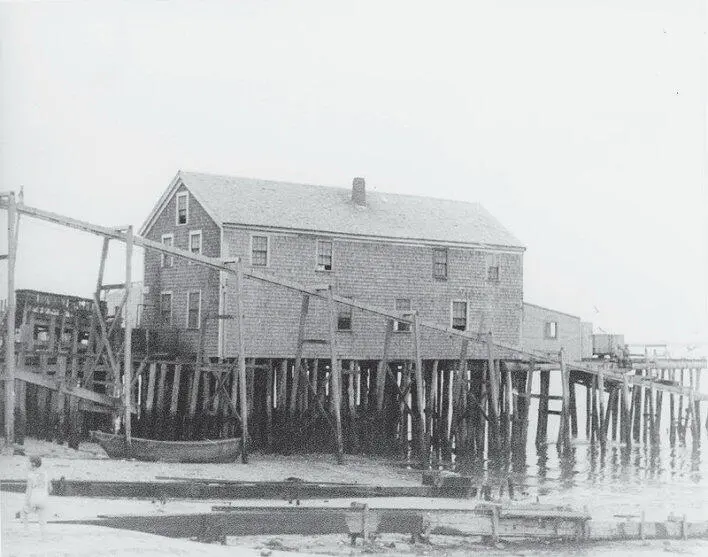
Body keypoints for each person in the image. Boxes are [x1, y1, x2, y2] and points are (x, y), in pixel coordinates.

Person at [20, 456, 49, 540]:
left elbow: (29, 489)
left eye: (28, 463)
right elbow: (49, 487)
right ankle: (43, 534)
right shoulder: (45, 473)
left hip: (34, 497)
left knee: (24, 511)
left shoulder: (30, 474)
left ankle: (26, 531)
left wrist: (27, 501)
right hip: (43, 498)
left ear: (33, 464)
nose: (27, 464)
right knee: (42, 517)